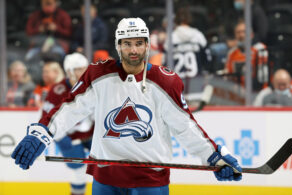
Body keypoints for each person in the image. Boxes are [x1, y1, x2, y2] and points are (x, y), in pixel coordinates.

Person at [11, 18, 242, 195]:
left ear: (147, 45)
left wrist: (214, 156)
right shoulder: (98, 74)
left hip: (150, 181)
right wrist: (42, 133)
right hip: (106, 178)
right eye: (127, 44)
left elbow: (185, 127)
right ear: (118, 45)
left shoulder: (165, 81)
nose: (133, 50)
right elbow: (71, 108)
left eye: (139, 43)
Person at [42, 53, 94, 195]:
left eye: (85, 68)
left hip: (91, 135)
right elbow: (46, 118)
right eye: (78, 69)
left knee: (107, 168)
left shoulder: (92, 85)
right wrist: (59, 137)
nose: (83, 72)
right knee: (78, 171)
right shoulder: (58, 90)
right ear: (69, 71)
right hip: (69, 138)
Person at [164, 7, 212, 78]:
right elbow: (207, 59)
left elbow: (165, 62)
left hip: (177, 83)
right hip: (196, 81)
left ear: (176, 20)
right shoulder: (198, 35)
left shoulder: (171, 38)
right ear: (189, 19)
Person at [224, 20, 269, 91]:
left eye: (244, 32)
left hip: (257, 91)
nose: (241, 35)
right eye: (238, 32)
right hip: (237, 92)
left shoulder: (260, 49)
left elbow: (263, 78)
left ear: (251, 35)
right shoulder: (231, 53)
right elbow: (228, 76)